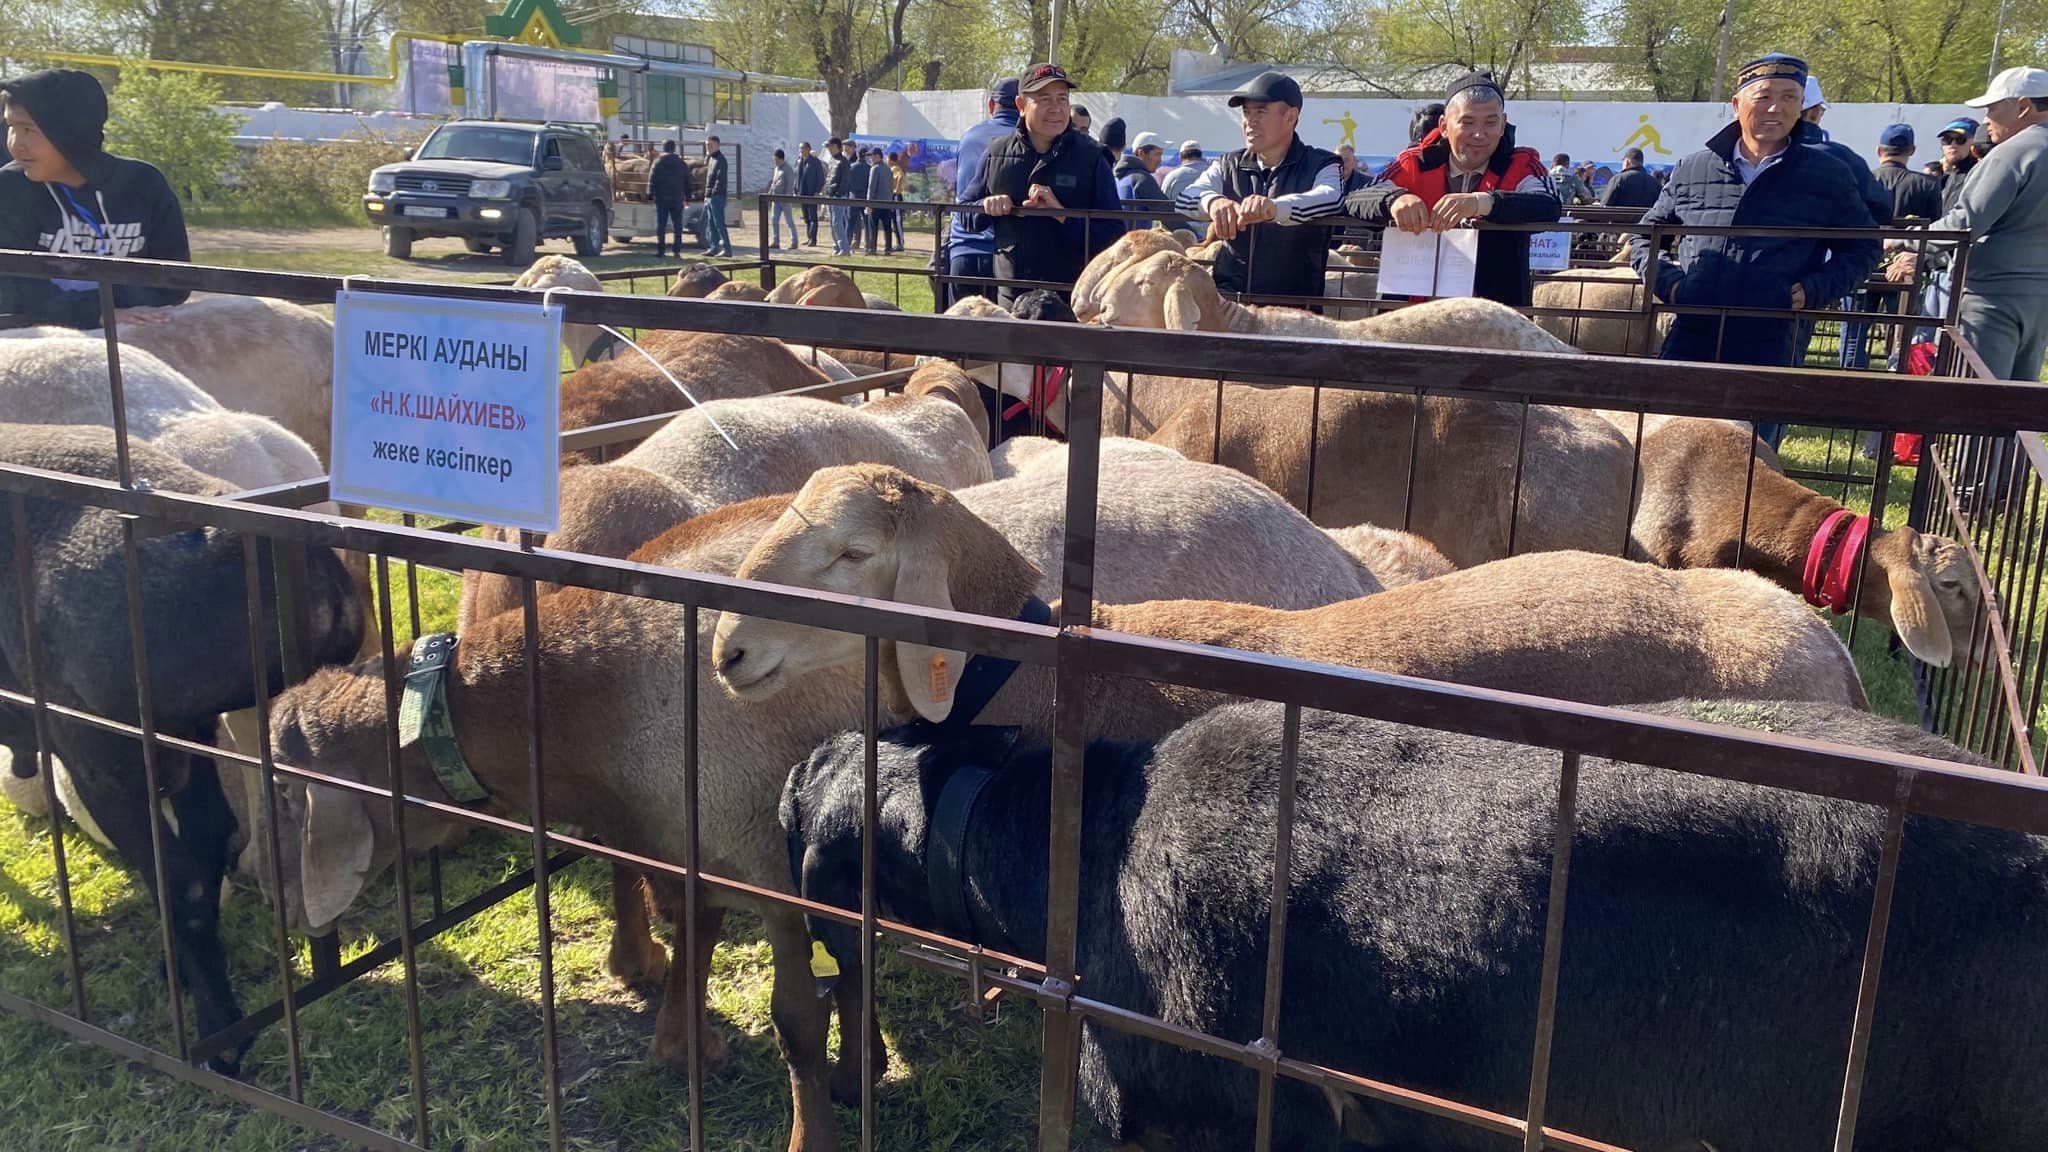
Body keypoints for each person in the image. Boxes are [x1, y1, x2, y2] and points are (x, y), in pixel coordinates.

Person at [1629, 53, 1880, 443]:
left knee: (1752, 461)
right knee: (1670, 443)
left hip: (1773, 336)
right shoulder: (1695, 167)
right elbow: (1646, 235)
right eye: (1763, 96)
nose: (1776, 108)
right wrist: (1672, 284)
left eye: (1790, 97)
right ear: (1737, 104)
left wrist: (1812, 290)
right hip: (1694, 330)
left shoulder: (1826, 174)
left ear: (1803, 107)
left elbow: (1862, 249)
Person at [1345, 71, 1561, 308]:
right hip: (1411, 313)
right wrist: (1394, 199)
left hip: (1495, 316)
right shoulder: (1414, 163)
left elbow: (1550, 204)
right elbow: (1357, 197)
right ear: (1444, 126)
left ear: (1502, 124)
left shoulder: (1521, 164)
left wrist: (1482, 202)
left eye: (1490, 122)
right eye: (1467, 123)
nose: (1479, 134)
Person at [0, 69, 190, 327]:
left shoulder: (143, 184)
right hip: (37, 340)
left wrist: (118, 310)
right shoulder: (9, 189)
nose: (15, 143)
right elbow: (13, 289)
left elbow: (174, 280)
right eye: (11, 127)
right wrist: (96, 313)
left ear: (70, 132)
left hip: (135, 331)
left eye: (28, 130)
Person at [960, 62, 1126, 305]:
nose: (1056, 109)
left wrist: (1062, 216)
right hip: (1011, 297)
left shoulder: (1092, 158)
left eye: (1062, 99)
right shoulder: (996, 153)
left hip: (1074, 298)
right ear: (1021, 105)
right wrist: (986, 205)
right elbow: (964, 212)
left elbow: (1114, 234)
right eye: (1044, 99)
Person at [1177, 70, 1343, 301]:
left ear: (1291, 117)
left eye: (1260, 112)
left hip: (1293, 311)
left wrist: (1274, 208)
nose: (1249, 122)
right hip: (1230, 306)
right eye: (1246, 112)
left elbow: (1330, 197)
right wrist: (1213, 202)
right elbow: (1185, 198)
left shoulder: (1322, 164)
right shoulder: (1228, 163)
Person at [948, 78, 1020, 305]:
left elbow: (960, 190)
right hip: (1004, 256)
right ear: (1023, 106)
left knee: (961, 332)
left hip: (963, 248)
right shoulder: (1025, 141)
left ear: (991, 105)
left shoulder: (968, 136)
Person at [1873, 124, 1942, 221]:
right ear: (1912, 150)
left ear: (1878, 151)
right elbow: (1935, 228)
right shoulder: (1929, 184)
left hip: (1870, 236)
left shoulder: (1863, 180)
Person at [1115, 131, 1171, 229]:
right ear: (1141, 153)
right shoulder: (1141, 178)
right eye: (1157, 154)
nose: (1160, 160)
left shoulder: (1119, 177)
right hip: (1136, 241)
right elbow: (1167, 213)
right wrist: (1197, 236)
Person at [649, 139, 692, 258]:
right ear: (674, 148)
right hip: (677, 198)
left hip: (661, 198)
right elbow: (687, 181)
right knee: (677, 225)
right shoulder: (681, 163)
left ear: (663, 148)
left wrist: (650, 194)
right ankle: (676, 251)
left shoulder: (658, 162)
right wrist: (688, 197)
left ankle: (661, 250)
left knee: (661, 225)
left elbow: (652, 179)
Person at [1160, 140, 1208, 239]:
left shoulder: (1172, 177)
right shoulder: (1212, 174)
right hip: (1209, 235)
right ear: (1200, 155)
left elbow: (1163, 207)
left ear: (1181, 157)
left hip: (1180, 237)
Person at [701, 135, 732, 257]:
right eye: (707, 145)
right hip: (710, 196)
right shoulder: (711, 159)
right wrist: (706, 195)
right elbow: (709, 179)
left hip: (717, 197)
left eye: (710, 145)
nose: (708, 147)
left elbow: (720, 179)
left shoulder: (721, 160)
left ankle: (727, 249)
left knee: (719, 224)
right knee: (711, 224)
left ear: (717, 145)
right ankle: (714, 247)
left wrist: (713, 193)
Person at [824, 138, 855, 255]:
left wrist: (839, 193)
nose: (829, 149)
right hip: (830, 195)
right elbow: (829, 178)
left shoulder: (843, 162)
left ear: (837, 147)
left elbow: (845, 180)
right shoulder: (832, 160)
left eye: (831, 146)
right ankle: (837, 246)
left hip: (838, 196)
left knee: (837, 222)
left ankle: (844, 249)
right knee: (832, 222)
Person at [865, 147, 896, 255]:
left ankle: (872, 248)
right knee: (887, 227)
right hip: (887, 202)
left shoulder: (875, 168)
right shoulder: (888, 168)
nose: (870, 158)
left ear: (877, 156)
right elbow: (892, 185)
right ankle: (888, 248)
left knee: (873, 226)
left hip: (876, 202)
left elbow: (871, 187)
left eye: (872, 156)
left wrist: (869, 203)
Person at [766, 147, 799, 249]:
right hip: (776, 199)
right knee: (774, 220)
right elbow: (774, 183)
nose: (775, 162)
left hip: (785, 200)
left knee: (789, 221)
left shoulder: (788, 169)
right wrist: (770, 194)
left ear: (781, 159)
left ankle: (794, 241)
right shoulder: (777, 169)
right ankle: (776, 241)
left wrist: (787, 198)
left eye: (776, 160)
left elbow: (790, 184)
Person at [797, 141, 826, 246]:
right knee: (806, 217)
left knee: (813, 217)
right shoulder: (800, 161)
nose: (801, 151)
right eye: (800, 149)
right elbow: (798, 178)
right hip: (802, 194)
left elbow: (821, 178)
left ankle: (813, 239)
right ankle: (808, 237)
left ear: (808, 149)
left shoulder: (815, 162)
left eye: (803, 148)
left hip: (812, 193)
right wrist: (796, 190)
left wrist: (817, 191)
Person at [844, 146, 871, 255]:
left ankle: (847, 243)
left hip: (853, 197)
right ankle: (868, 244)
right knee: (867, 222)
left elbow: (847, 183)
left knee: (850, 223)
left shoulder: (851, 167)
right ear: (865, 156)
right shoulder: (869, 168)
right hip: (865, 198)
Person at [888, 150, 909, 247]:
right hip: (893, 196)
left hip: (896, 196)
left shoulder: (895, 168)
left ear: (890, 160)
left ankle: (900, 243)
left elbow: (900, 177)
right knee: (894, 221)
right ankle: (898, 242)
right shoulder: (892, 168)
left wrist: (896, 190)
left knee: (897, 220)